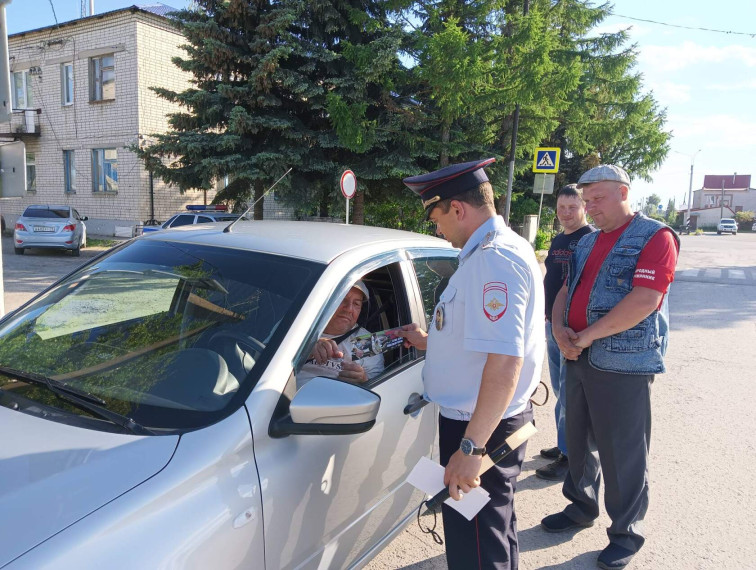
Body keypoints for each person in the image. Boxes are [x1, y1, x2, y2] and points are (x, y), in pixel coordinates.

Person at [400, 158, 544, 569]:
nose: (436, 228)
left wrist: (470, 448)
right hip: (486, 420)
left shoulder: (492, 260)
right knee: (494, 536)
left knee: (476, 550)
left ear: (457, 209)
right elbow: (481, 340)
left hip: (478, 426)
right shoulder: (496, 250)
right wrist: (432, 343)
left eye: (435, 217)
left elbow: (504, 362)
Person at [540, 165, 679, 570]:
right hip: (579, 355)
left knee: (623, 452)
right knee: (578, 441)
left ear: (623, 192)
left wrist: (585, 336)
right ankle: (581, 507)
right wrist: (558, 328)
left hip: (623, 363)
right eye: (586, 201)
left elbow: (645, 300)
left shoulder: (655, 236)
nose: (589, 207)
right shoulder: (588, 241)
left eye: (596, 199)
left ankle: (626, 532)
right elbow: (568, 287)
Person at [536, 184, 595, 481]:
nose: (566, 214)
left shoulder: (590, 239)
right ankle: (564, 444)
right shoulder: (559, 238)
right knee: (561, 390)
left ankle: (571, 456)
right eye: (561, 208)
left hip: (572, 328)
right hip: (552, 324)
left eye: (573, 208)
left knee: (571, 393)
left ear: (584, 208)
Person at [297, 280, 384, 387]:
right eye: (342, 299)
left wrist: (363, 380)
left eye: (356, 303)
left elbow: (377, 389)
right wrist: (305, 347)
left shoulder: (367, 342)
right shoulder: (300, 326)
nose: (349, 309)